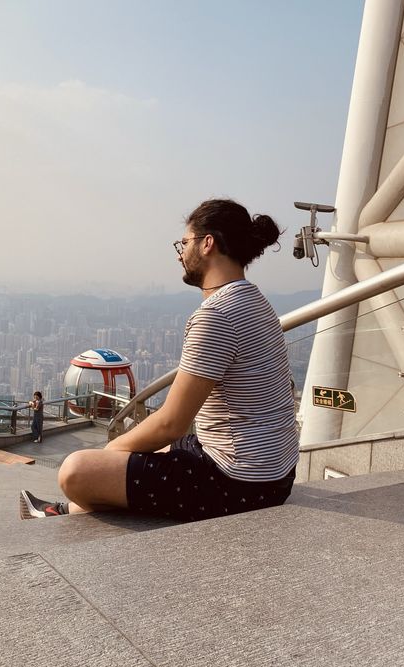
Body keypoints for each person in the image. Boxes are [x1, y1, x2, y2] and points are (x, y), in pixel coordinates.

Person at [19, 198, 298, 520]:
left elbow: (171, 423)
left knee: (76, 470)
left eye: (184, 242)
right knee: (152, 453)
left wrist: (110, 453)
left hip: (239, 484)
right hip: (274, 474)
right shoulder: (254, 300)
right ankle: (63, 511)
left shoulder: (217, 315)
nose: (180, 254)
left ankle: (65, 507)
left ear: (207, 244)